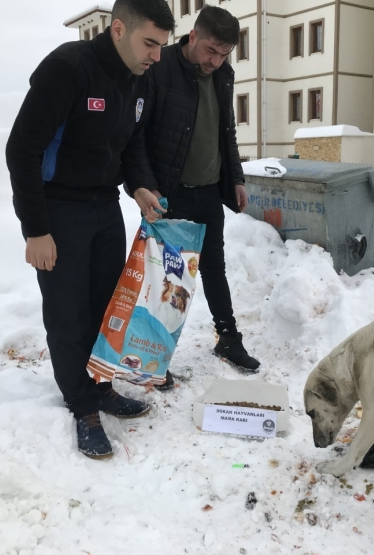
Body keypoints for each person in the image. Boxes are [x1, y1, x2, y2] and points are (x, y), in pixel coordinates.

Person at [5, 0, 175, 460]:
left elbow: (131, 142)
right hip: (58, 209)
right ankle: (81, 405)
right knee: (68, 313)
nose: (157, 56)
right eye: (150, 43)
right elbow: (21, 149)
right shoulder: (67, 69)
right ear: (118, 29)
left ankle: (100, 386)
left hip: (104, 207)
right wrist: (35, 229)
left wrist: (139, 185)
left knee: (105, 308)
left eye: (162, 46)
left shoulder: (139, 78)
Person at [127, 5, 260, 390]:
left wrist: (234, 177)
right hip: (168, 195)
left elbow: (227, 131)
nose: (216, 61)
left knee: (214, 268)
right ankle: (153, 355)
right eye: (211, 51)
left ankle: (228, 339)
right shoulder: (160, 68)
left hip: (208, 190)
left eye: (224, 55)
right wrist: (146, 187)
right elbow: (136, 137)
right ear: (194, 36)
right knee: (169, 276)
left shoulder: (222, 74)